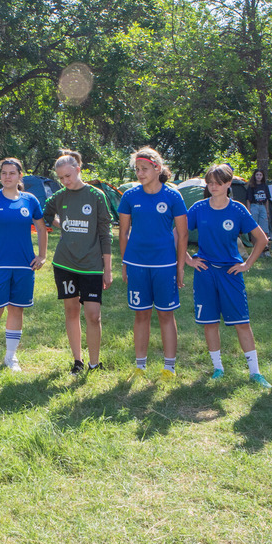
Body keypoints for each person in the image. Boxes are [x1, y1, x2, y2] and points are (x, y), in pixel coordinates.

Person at [185, 164, 271, 387]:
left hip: (231, 273)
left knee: (242, 322)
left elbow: (262, 240)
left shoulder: (238, 210)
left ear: (228, 184)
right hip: (205, 272)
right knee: (210, 323)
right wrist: (188, 260)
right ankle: (218, 368)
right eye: (210, 183)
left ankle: (255, 372)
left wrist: (246, 264)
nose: (213, 187)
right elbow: (177, 234)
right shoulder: (198, 208)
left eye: (218, 183)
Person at [0, 158, 48, 376]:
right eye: (4, 173)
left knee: (16, 310)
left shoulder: (30, 200)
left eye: (12, 173)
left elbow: (42, 229)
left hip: (24, 267)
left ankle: (10, 357)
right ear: (0, 176)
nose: (7, 177)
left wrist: (42, 255)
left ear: (20, 176)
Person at [118, 147, 188, 380]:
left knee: (166, 315)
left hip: (164, 265)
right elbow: (123, 233)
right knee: (141, 315)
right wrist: (124, 263)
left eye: (144, 169)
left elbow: (183, 234)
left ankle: (169, 368)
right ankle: (140, 365)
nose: (139, 173)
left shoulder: (173, 196)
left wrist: (179, 266)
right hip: (137, 263)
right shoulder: (130, 196)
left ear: (157, 168)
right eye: (137, 169)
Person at [42, 149, 113, 375]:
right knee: (71, 311)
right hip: (64, 264)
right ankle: (78, 361)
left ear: (78, 169)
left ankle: (94, 363)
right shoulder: (60, 196)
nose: (65, 181)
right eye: (60, 178)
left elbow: (105, 233)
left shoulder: (96, 195)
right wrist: (57, 223)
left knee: (93, 315)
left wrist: (108, 269)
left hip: (92, 265)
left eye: (68, 176)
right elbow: (42, 215)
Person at [246, 168, 272, 250]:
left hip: (262, 207)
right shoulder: (251, 186)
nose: (258, 176)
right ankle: (255, 248)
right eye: (257, 175)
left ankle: (264, 247)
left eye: (260, 175)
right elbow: (248, 199)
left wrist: (267, 211)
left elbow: (267, 200)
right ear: (254, 176)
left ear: (263, 176)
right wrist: (248, 211)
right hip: (254, 206)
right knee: (254, 227)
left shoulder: (265, 186)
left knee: (264, 227)